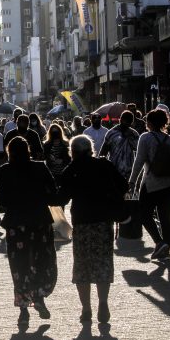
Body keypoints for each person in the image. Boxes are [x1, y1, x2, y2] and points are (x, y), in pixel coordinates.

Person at [55, 135, 128, 324]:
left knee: (82, 266)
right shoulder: (104, 165)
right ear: (91, 149)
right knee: (103, 262)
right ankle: (103, 302)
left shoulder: (71, 170)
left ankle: (86, 308)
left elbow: (61, 199)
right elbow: (123, 185)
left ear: (73, 152)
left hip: (82, 222)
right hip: (103, 222)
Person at [0, 137, 57, 325]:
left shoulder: (5, 170)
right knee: (41, 260)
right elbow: (53, 193)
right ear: (28, 150)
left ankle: (23, 309)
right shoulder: (40, 167)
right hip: (39, 222)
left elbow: (1, 203)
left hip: (16, 225)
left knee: (19, 264)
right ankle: (39, 296)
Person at [127, 108, 170, 260]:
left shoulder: (145, 137)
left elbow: (139, 161)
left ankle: (159, 242)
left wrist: (132, 181)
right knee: (166, 217)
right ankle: (166, 250)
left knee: (144, 214)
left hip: (152, 183)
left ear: (149, 123)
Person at [100, 111, 140, 182]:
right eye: (125, 121)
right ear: (120, 120)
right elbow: (103, 152)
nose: (126, 123)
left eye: (129, 122)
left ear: (132, 122)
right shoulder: (111, 133)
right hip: (114, 169)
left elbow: (137, 149)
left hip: (129, 170)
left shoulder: (134, 134)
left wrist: (130, 136)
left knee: (128, 192)